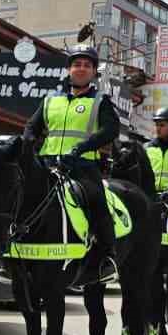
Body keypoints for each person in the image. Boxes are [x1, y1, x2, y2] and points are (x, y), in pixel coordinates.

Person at [22, 43, 121, 287]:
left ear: (94, 72)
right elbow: (31, 128)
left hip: (82, 168)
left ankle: (107, 258)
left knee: (98, 201)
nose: (81, 68)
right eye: (77, 64)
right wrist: (27, 146)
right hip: (47, 165)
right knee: (18, 198)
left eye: (87, 65)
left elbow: (111, 129)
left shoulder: (100, 101)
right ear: (68, 69)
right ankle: (9, 254)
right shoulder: (50, 100)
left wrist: (83, 148)